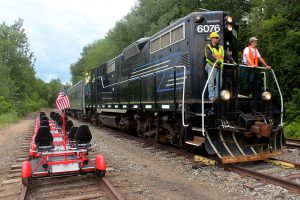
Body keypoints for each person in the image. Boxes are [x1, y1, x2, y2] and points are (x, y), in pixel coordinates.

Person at [204, 32, 225, 101]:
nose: (217, 39)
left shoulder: (221, 48)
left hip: (219, 67)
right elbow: (209, 56)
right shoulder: (208, 47)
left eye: (218, 38)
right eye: (216, 38)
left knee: (220, 82)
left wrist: (232, 60)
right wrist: (216, 60)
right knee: (211, 82)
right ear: (212, 38)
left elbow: (226, 55)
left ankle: (216, 96)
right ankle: (211, 97)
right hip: (211, 66)